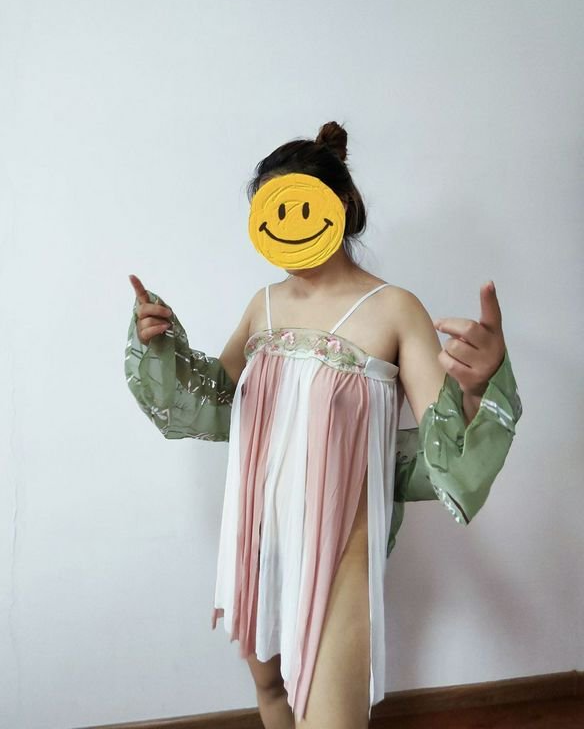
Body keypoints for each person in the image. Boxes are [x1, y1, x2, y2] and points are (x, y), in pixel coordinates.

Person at [124, 121, 522, 729]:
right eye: (274, 211)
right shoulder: (263, 304)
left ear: (342, 205)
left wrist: (478, 383)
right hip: (258, 539)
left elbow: (445, 437)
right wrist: (161, 345)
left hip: (340, 555)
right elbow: (214, 403)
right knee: (272, 692)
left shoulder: (394, 308)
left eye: (300, 206)